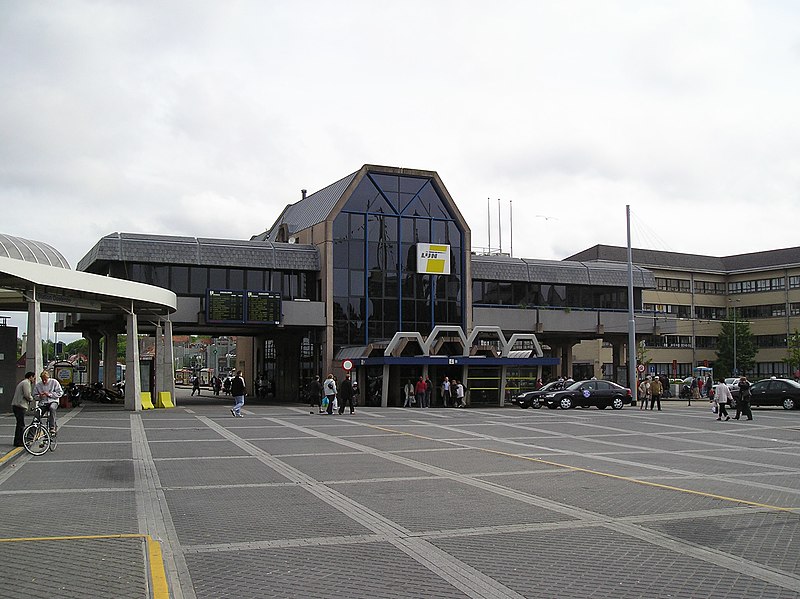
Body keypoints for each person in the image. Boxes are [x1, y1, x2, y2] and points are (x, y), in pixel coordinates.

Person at [33, 370, 63, 435]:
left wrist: (50, 394)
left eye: (45, 380)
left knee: (52, 408)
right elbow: (34, 396)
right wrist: (40, 396)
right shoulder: (38, 385)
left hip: (53, 401)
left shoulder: (54, 382)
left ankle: (52, 427)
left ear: (48, 378)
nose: (44, 381)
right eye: (43, 380)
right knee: (37, 414)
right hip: (43, 402)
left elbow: (60, 393)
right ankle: (31, 434)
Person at [12, 371, 35, 447]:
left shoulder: (23, 382)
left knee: (19, 424)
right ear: (30, 377)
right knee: (21, 424)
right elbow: (27, 395)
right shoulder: (26, 383)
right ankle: (19, 441)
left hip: (17, 405)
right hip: (20, 405)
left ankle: (17, 440)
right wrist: (32, 398)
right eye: (33, 378)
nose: (34, 380)